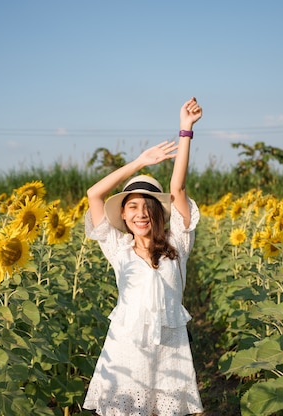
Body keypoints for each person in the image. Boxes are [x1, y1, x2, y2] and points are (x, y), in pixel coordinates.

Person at [83, 97, 204, 415]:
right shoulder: (117, 248)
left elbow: (177, 188)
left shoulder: (178, 245)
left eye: (148, 205)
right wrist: (139, 162)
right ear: (122, 215)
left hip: (170, 348)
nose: (140, 213)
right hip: (126, 349)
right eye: (132, 206)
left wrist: (185, 130)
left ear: (158, 212)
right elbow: (94, 194)